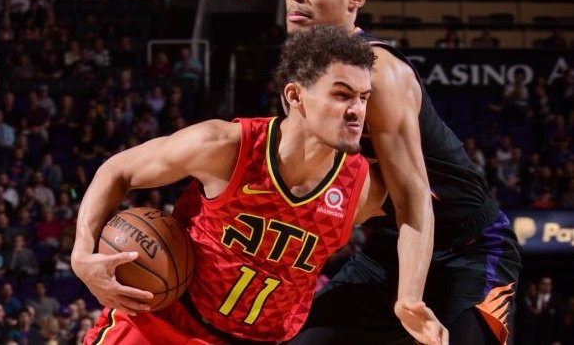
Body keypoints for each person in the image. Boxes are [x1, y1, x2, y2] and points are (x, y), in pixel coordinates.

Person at [71, 26, 387, 343]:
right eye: (342, 95)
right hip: (160, 321)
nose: (357, 110)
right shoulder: (225, 146)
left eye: (364, 98)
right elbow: (117, 171)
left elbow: (414, 222)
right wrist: (82, 253)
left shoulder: (363, 188)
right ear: (295, 95)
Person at [284, 0, 521, 345]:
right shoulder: (301, 78)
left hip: (468, 247)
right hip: (392, 247)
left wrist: (409, 297)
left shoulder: (379, 72)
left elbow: (414, 196)